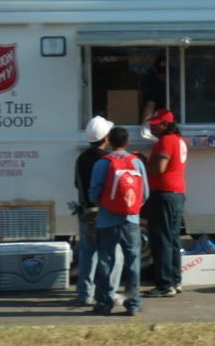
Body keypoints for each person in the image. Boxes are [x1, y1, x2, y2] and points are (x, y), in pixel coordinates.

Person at [89, 126, 149, 316]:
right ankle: (133, 304)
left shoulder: (102, 163)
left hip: (107, 220)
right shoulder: (136, 162)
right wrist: (132, 208)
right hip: (131, 220)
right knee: (133, 262)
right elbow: (144, 193)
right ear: (127, 142)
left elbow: (93, 193)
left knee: (106, 261)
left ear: (109, 140)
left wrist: (106, 203)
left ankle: (104, 304)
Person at [74, 115, 124, 306]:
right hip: (105, 212)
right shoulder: (108, 160)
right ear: (106, 138)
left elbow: (76, 184)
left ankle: (85, 294)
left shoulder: (80, 158)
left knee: (88, 253)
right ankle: (110, 293)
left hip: (85, 212)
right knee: (115, 255)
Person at [143, 109, 188, 298]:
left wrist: (142, 162)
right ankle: (175, 281)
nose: (152, 126)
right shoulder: (179, 141)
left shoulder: (166, 141)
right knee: (172, 239)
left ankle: (164, 285)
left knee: (161, 240)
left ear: (165, 125)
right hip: (176, 194)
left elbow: (159, 169)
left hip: (164, 195)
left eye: (156, 123)